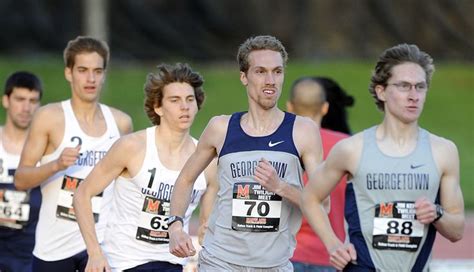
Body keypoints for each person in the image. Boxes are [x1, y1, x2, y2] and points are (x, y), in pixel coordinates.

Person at [302, 44, 465, 271]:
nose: (413, 96)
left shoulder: (443, 151)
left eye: (420, 87)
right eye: (404, 86)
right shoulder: (352, 149)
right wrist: (333, 245)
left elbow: (457, 230)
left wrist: (436, 213)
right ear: (381, 91)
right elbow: (310, 197)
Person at [168, 35, 323, 271]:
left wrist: (281, 187)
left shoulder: (303, 131)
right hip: (220, 261)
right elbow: (186, 178)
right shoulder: (221, 128)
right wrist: (175, 226)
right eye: (260, 71)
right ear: (244, 77)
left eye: (277, 71)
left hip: (274, 264)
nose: (270, 80)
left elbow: (324, 204)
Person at [73, 63, 218, 272]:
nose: (184, 107)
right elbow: (82, 194)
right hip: (124, 262)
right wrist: (95, 253)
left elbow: (206, 227)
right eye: (175, 100)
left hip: (172, 263)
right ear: (158, 107)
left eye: (189, 100)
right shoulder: (132, 147)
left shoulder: (208, 162)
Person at [14, 36, 133, 272]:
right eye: (83, 70)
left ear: (104, 74)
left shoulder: (121, 123)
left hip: (102, 247)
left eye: (97, 71)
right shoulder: (50, 117)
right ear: (69, 73)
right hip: (54, 248)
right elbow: (20, 179)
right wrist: (56, 165)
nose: (91, 78)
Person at [286, 76, 354, 272]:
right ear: (325, 108)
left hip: (286, 253)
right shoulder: (347, 147)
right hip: (331, 253)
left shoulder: (278, 146)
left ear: (290, 106)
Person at [0, 71, 43, 272]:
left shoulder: (47, 151)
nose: (26, 108)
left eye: (33, 101)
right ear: (6, 100)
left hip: (31, 249)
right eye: (20, 99)